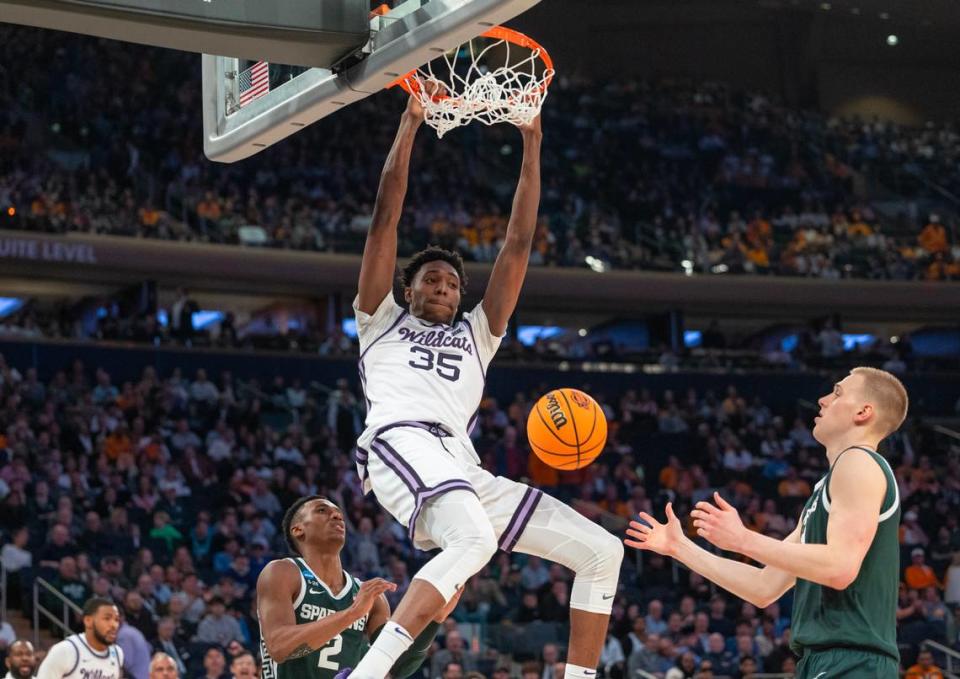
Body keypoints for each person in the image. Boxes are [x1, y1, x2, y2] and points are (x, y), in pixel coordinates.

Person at [348, 89, 622, 679]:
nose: (445, 287)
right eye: (431, 280)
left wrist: (533, 140)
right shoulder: (378, 318)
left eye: (451, 282)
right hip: (398, 440)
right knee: (472, 542)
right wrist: (411, 121)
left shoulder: (480, 332)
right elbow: (384, 219)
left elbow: (518, 242)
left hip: (459, 463)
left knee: (604, 551)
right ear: (408, 290)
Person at [625, 367, 908, 678]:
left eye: (837, 392)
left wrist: (742, 539)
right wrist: (680, 548)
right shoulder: (825, 488)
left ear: (863, 412)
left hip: (854, 663)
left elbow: (840, 567)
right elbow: (763, 587)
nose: (823, 399)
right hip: (827, 662)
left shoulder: (858, 461)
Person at [256, 496, 460, 679]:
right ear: (298, 529)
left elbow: (397, 666)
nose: (336, 516)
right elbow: (279, 647)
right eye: (322, 510)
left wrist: (435, 618)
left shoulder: (368, 596)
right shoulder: (282, 572)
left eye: (339, 514)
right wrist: (352, 613)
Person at [36, 597, 124, 679]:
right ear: (88, 621)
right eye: (107, 618)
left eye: (116, 620)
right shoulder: (66, 650)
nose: (114, 625)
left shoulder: (117, 653)